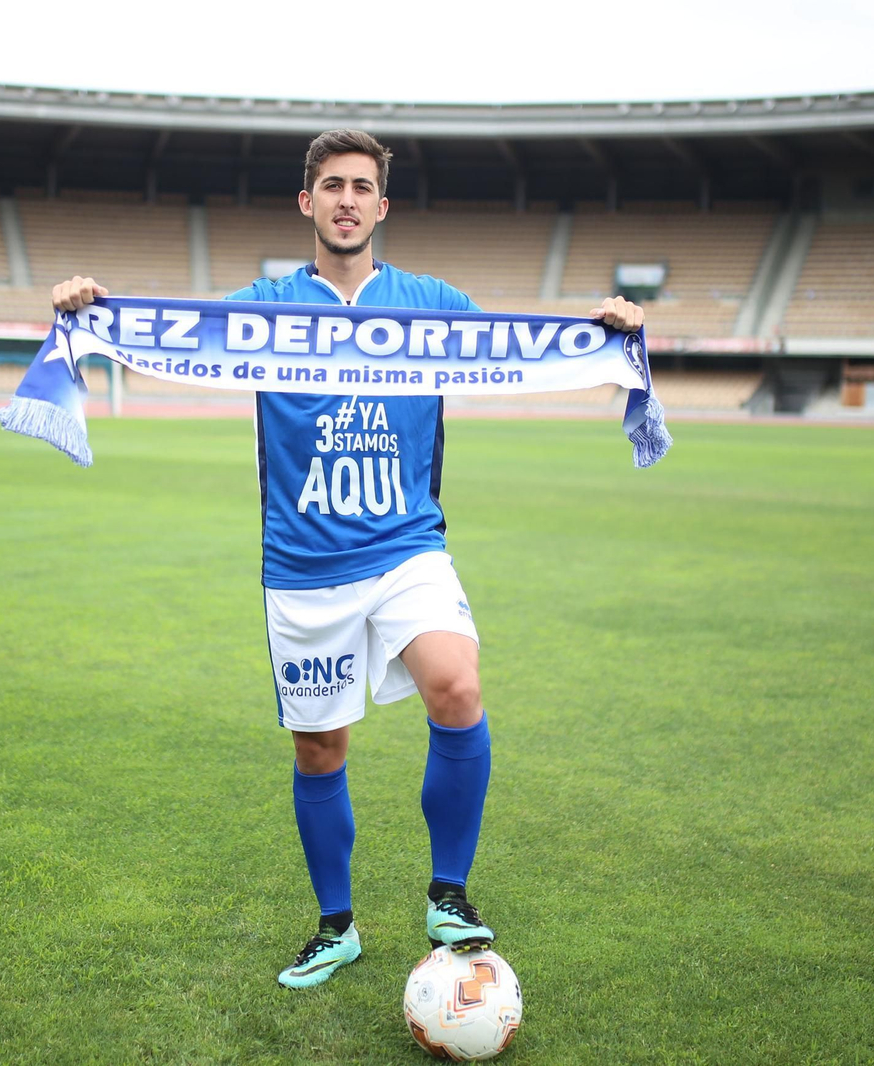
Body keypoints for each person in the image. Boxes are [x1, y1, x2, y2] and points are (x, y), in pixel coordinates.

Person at [51, 129, 645, 989]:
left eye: (362, 186)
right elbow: (167, 338)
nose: (347, 199)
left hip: (408, 545)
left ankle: (450, 893)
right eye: (331, 185)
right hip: (302, 565)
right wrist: (88, 309)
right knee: (321, 749)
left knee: (459, 686)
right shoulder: (264, 306)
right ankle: (337, 925)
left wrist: (603, 332)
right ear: (307, 202)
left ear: (382, 205)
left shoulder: (429, 301)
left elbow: (521, 351)